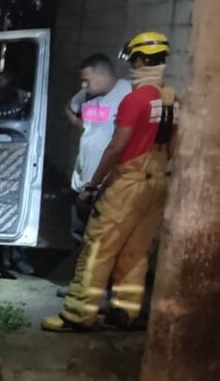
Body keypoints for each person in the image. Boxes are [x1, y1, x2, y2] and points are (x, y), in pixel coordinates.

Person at [43, 31, 177, 332]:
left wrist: (92, 186)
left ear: (141, 60)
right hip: (157, 184)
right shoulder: (171, 100)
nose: (131, 64)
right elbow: (173, 147)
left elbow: (116, 147)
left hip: (127, 184)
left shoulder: (134, 99)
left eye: (133, 60)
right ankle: (123, 314)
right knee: (136, 252)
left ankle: (77, 315)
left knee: (97, 249)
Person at [65, 53, 132, 241]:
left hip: (104, 186)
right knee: (78, 235)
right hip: (80, 182)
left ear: (103, 74)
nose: (83, 85)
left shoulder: (127, 93)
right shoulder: (86, 95)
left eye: (87, 80)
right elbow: (69, 108)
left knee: (99, 240)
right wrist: (83, 126)